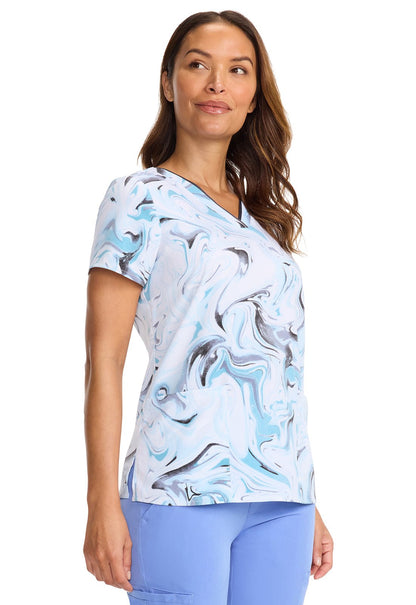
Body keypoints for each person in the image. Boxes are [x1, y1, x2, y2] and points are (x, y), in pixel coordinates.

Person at [83, 9, 334, 605]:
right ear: (169, 83)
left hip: (281, 499)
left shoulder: (262, 222)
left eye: (238, 70)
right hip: (179, 488)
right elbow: (103, 361)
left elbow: (276, 372)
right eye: (198, 65)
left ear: (253, 97)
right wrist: (100, 502)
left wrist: (306, 495)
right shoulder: (137, 199)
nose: (217, 83)